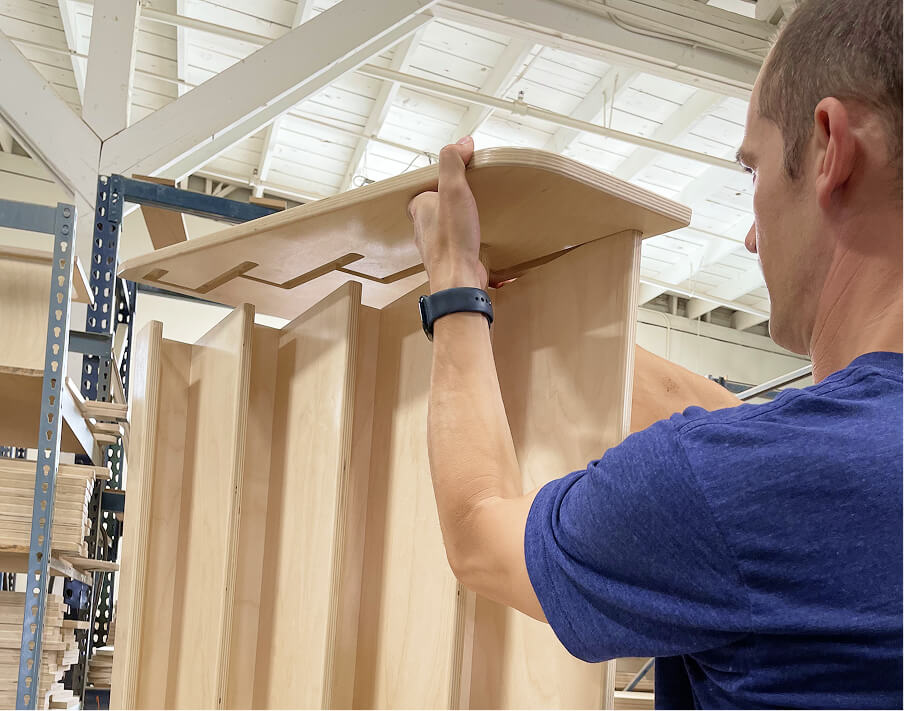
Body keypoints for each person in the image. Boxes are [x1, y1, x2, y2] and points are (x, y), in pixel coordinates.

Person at [406, 0, 903, 707]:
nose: (752, 239)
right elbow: (791, 458)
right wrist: (553, 329)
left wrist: (453, 278)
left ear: (828, 147)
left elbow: (477, 534)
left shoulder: (738, 488)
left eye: (753, 172)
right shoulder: (810, 474)